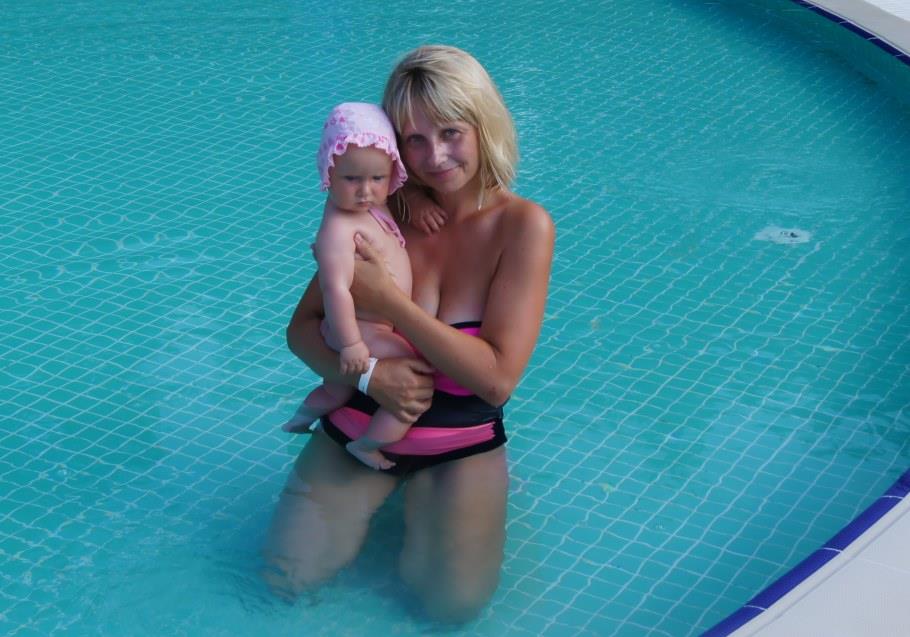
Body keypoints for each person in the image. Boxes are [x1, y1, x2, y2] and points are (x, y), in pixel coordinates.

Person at [264, 45, 554, 623]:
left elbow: (497, 381)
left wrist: (392, 303)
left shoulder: (522, 227)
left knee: (451, 607)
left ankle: (442, 495)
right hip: (359, 422)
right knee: (284, 580)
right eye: (414, 139)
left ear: (484, 125)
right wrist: (370, 377)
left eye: (451, 132)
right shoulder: (377, 208)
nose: (435, 156)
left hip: (459, 439)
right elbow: (301, 331)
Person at [280, 101, 418, 471]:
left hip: (362, 327)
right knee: (418, 379)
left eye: (378, 179)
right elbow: (335, 290)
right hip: (362, 330)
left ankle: (300, 419)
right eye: (352, 179)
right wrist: (352, 344)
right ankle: (368, 444)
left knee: (336, 389)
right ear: (329, 172)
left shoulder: (369, 207)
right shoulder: (337, 230)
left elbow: (398, 204)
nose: (365, 191)